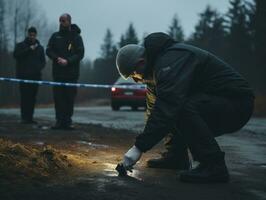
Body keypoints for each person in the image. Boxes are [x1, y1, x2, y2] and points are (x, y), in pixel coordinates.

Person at [116, 32, 254, 183]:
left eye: (134, 74)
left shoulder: (171, 60)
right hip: (214, 102)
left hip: (237, 103)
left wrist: (138, 147)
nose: (135, 80)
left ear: (141, 62)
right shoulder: (154, 75)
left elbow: (168, 106)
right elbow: (155, 111)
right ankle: (176, 157)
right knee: (173, 108)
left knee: (179, 107)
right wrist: (146, 139)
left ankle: (214, 166)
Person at [46, 13, 84, 130]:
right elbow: (48, 50)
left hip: (71, 74)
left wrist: (68, 61)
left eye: (63, 21)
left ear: (69, 22)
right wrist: (56, 58)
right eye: (60, 21)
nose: (61, 23)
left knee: (69, 99)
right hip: (58, 74)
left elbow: (80, 53)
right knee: (58, 99)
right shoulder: (55, 36)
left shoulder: (76, 37)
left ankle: (67, 122)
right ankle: (59, 121)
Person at [13, 27, 46, 124]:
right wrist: (28, 49)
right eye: (30, 35)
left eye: (34, 35)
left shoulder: (40, 48)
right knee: (24, 97)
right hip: (23, 76)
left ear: (36, 35)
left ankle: (30, 118)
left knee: (32, 98)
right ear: (28, 35)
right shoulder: (21, 45)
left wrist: (38, 68)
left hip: (35, 77)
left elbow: (43, 62)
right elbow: (16, 55)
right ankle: (24, 118)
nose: (32, 37)